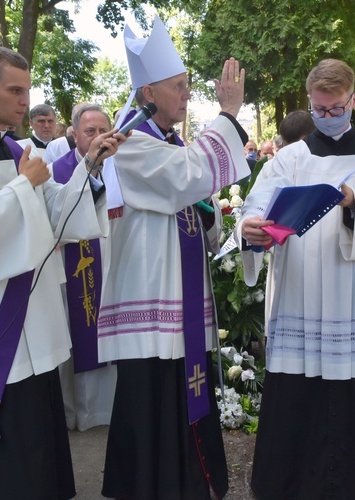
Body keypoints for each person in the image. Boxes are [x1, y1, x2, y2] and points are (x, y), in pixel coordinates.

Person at [0, 45, 126, 499]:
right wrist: (25, 184)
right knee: (8, 447)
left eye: (26, 89)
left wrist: (91, 164)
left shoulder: (18, 148)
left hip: (37, 317)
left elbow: (57, 209)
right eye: (15, 90)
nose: (24, 100)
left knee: (38, 435)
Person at [239, 58, 355, 499]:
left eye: (336, 109)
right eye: (320, 110)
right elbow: (255, 208)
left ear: (353, 100)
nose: (328, 117)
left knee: (352, 399)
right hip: (298, 294)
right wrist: (251, 227)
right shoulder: (290, 159)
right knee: (296, 399)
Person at [96, 15, 250, 499]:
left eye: (187, 86)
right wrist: (227, 116)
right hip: (150, 298)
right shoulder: (129, 142)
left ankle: (185, 482)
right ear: (147, 93)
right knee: (153, 399)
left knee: (181, 395)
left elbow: (195, 201)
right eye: (178, 86)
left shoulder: (169, 142)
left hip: (178, 295)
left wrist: (210, 220)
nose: (187, 94)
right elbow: (186, 177)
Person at [51, 104, 118, 431]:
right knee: (76, 335)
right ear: (74, 134)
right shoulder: (56, 172)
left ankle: (110, 410)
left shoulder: (123, 167)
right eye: (89, 131)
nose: (97, 137)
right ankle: (78, 412)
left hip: (114, 265)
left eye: (102, 129)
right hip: (74, 268)